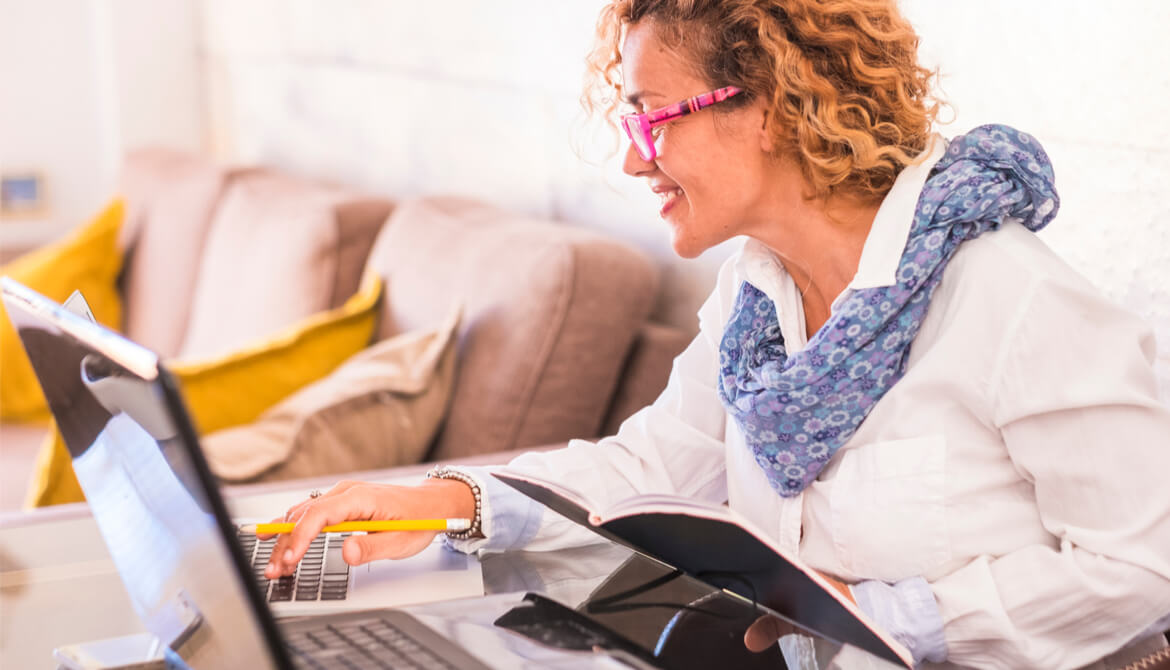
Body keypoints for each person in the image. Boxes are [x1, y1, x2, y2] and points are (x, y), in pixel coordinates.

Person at [264, 1, 1170, 666]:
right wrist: (446, 500)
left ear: (770, 106)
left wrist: (897, 616)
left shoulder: (1008, 297)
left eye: (650, 116)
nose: (630, 155)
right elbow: (653, 469)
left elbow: (1144, 568)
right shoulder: (756, 295)